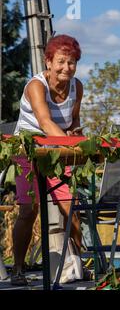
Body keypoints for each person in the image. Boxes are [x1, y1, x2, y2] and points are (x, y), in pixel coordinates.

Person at [11, 34, 84, 285]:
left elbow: (73, 121)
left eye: (72, 62)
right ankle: (18, 269)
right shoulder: (36, 85)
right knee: (29, 210)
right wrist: (72, 144)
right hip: (28, 150)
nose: (67, 68)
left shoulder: (77, 87)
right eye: (62, 61)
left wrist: (77, 134)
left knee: (70, 205)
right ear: (49, 61)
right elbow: (45, 122)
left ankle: (79, 264)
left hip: (56, 151)